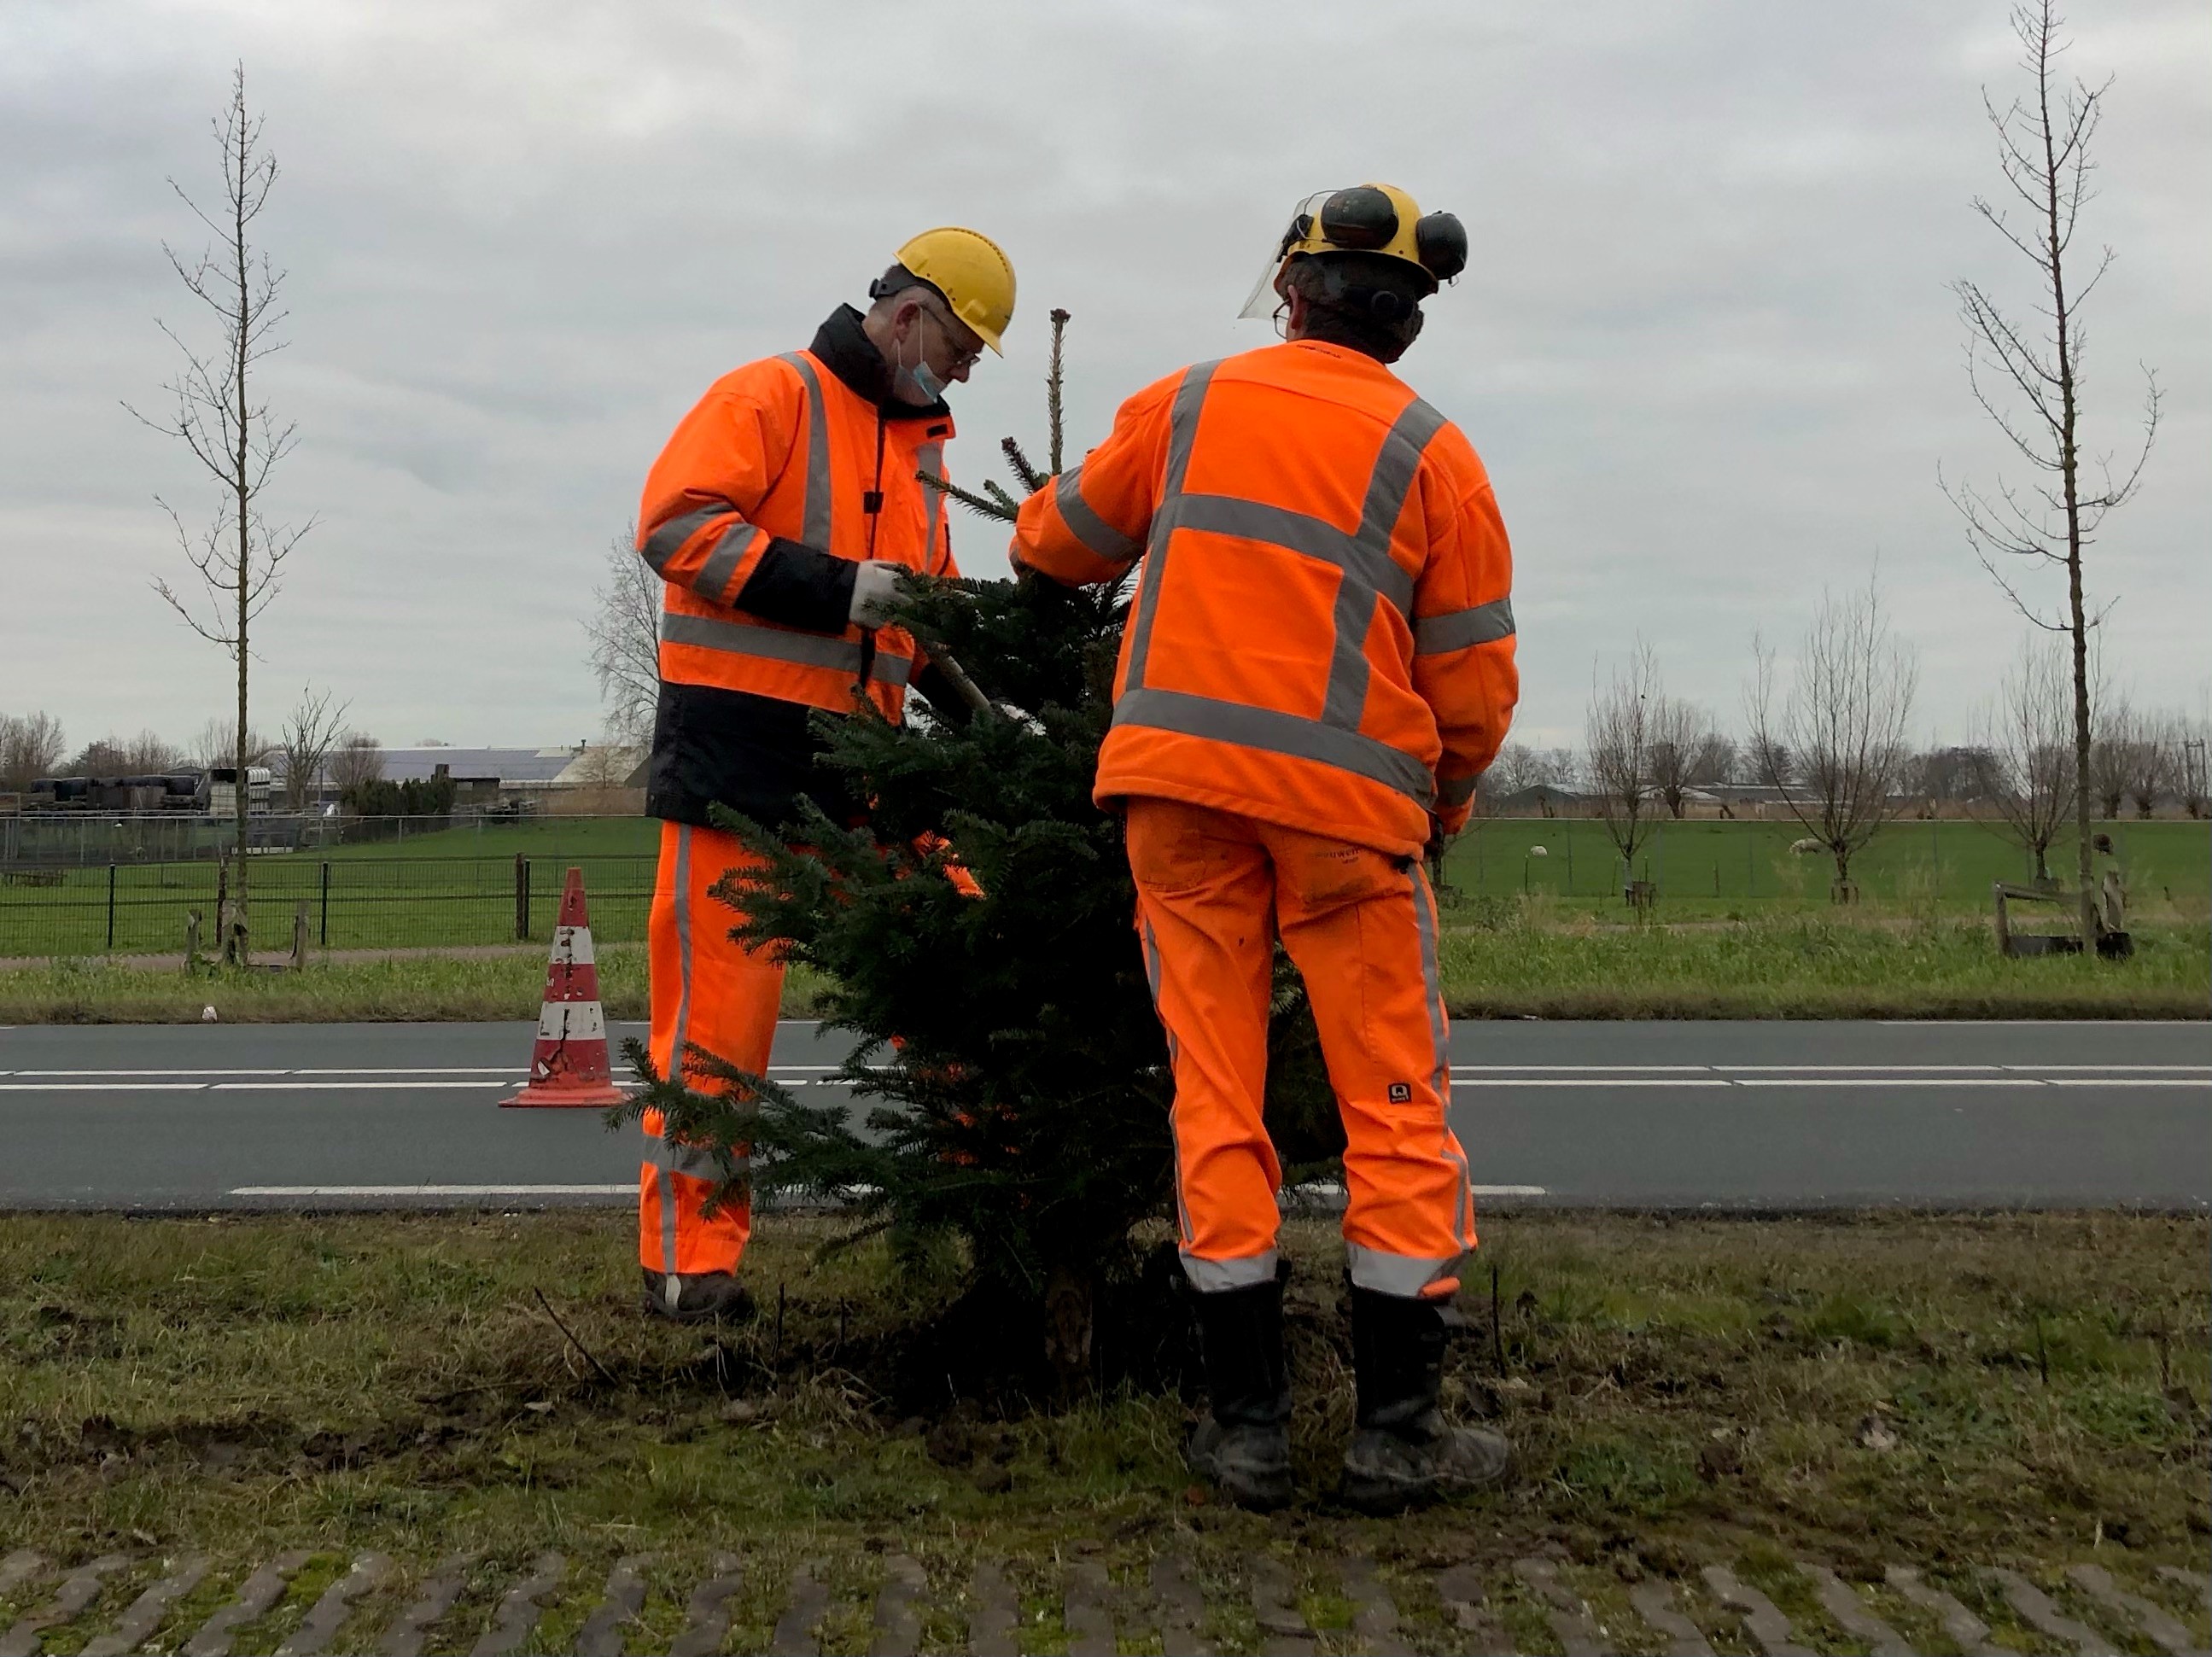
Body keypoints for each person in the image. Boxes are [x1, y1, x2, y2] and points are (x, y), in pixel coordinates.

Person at [1010, 184, 1518, 1513]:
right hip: (1348, 824)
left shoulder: (1189, 403)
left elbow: (1056, 540)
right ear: (1402, 328)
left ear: (1289, 293)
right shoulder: (1437, 457)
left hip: (1174, 804)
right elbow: (1470, 691)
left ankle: (1242, 1429)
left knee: (1212, 1096)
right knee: (1392, 1111)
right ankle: (1395, 1435)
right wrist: (1441, 808)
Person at [632, 229, 1015, 1322]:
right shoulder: (770, 395)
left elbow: (921, 611)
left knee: (953, 972)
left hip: (865, 764)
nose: (964, 372)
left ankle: (1006, 1214)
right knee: (716, 1031)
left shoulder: (920, 444)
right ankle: (687, 1269)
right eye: (959, 348)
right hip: (735, 756)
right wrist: (837, 590)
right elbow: (673, 526)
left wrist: (988, 722)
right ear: (905, 318)